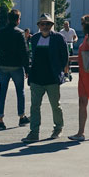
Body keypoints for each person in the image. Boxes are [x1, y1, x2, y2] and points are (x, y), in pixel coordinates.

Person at [22, 13, 68, 143]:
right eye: (42, 24)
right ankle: (34, 132)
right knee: (34, 107)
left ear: (52, 25)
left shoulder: (59, 38)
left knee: (55, 105)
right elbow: (31, 55)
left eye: (48, 24)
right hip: (37, 77)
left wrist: (62, 71)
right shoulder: (35, 38)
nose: (45, 26)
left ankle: (58, 128)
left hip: (52, 78)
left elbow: (64, 56)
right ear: (39, 26)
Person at [0, 9, 30, 130]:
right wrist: (27, 68)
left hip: (3, 65)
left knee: (2, 92)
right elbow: (24, 53)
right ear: (18, 20)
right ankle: (21, 116)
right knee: (20, 91)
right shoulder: (19, 33)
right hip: (16, 65)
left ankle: (0, 120)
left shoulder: (0, 32)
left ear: (8, 19)